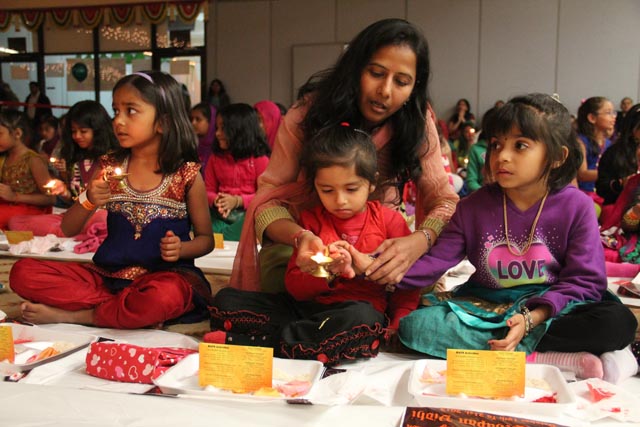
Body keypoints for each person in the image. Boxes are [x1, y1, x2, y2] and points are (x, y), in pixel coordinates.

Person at [397, 93, 638, 384]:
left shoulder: (577, 206)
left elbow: (584, 281)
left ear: (557, 157)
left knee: (616, 322)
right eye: (497, 144)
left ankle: (529, 350)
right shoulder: (473, 206)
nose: (502, 156)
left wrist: (531, 319)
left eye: (520, 145)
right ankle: (548, 359)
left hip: (554, 303)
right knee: (414, 327)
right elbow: (434, 263)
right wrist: (372, 267)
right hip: (489, 306)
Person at [231, 18, 459, 293]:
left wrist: (418, 241)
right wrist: (301, 237)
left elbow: (445, 201)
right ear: (355, 69)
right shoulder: (307, 115)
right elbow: (267, 203)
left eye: (401, 81)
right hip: (307, 244)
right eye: (376, 73)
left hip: (375, 243)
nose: (385, 91)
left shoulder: (416, 122)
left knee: (417, 285)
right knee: (284, 283)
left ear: (414, 88)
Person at [10, 71, 214, 329]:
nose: (118, 121)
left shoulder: (186, 174)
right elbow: (69, 228)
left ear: (163, 121)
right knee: (23, 273)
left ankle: (79, 315)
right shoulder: (109, 166)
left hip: (164, 278)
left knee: (164, 296)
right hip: (107, 277)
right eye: (115, 111)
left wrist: (182, 249)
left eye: (131, 111)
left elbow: (206, 239)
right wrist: (88, 199)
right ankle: (125, 310)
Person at [208, 124, 421, 364]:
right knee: (226, 300)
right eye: (327, 190)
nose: (340, 200)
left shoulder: (389, 221)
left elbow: (407, 282)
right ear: (315, 186)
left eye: (351, 189)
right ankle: (300, 341)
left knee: (364, 323)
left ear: (372, 183)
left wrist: (397, 321)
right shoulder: (310, 222)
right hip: (306, 310)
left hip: (354, 313)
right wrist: (325, 273)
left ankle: (262, 343)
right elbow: (294, 286)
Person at [8, 100, 119, 236]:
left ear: (98, 130)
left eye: (83, 131)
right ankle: (73, 232)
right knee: (16, 222)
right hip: (73, 218)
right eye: (73, 131)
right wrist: (64, 191)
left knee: (102, 219)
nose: (77, 136)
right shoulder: (77, 161)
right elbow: (75, 199)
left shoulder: (112, 159)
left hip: (100, 216)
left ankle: (71, 232)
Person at [204, 103, 270, 241]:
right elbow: (208, 190)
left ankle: (221, 236)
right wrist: (217, 200)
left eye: (223, 128)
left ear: (240, 131)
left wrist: (237, 201)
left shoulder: (259, 160)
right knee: (199, 223)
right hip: (219, 213)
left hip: (247, 213)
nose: (217, 133)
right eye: (217, 128)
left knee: (255, 220)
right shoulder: (215, 158)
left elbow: (265, 196)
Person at [0, 109, 55, 229]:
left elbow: (50, 198)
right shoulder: (4, 158)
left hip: (30, 210)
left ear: (17, 133)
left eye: (0, 134)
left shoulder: (33, 160)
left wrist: (15, 197)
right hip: (9, 207)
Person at [596, 103, 640, 207]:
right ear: (632, 128)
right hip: (620, 207)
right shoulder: (615, 153)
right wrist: (621, 184)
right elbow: (602, 188)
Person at [576, 96, 616, 195]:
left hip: (602, 193)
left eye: (613, 113)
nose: (613, 116)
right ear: (592, 118)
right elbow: (582, 174)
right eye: (608, 113)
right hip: (584, 193)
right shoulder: (580, 141)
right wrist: (615, 173)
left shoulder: (608, 143)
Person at [465, 107, 499, 193]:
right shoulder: (476, 149)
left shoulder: (506, 150)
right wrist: (486, 193)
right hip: (483, 195)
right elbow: (471, 181)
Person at [190, 102, 217, 171]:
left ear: (211, 121)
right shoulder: (192, 145)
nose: (193, 123)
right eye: (191, 119)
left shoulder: (219, 149)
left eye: (198, 119)